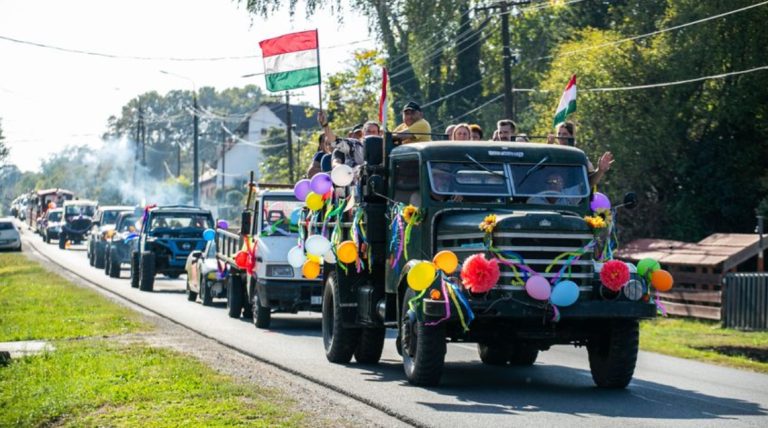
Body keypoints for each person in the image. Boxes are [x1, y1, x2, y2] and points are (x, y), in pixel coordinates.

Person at [548, 121, 614, 187]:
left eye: (565, 134)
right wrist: (549, 147)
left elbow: (590, 181)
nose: (561, 137)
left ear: (572, 136)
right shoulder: (553, 154)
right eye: (559, 134)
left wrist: (600, 170)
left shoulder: (579, 157)